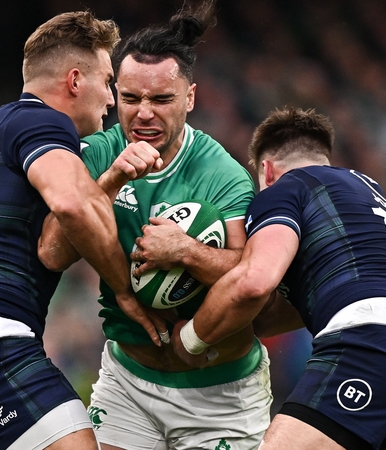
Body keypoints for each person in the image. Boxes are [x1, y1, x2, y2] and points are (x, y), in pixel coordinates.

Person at [0, 11, 165, 450]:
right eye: (107, 82)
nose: (111, 100)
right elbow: (72, 205)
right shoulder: (43, 122)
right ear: (75, 80)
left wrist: (112, 177)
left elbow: (52, 245)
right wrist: (124, 289)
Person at [38, 2, 272, 449]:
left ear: (189, 98)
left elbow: (249, 274)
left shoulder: (222, 174)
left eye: (161, 99)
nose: (144, 113)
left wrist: (185, 251)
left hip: (220, 395)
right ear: (116, 93)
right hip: (129, 382)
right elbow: (52, 252)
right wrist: (111, 181)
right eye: (131, 98)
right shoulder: (96, 154)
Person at [173, 107, 386, 449]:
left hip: (374, 342)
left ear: (267, 170)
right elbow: (282, 311)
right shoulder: (367, 193)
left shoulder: (286, 188)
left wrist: (191, 338)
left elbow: (255, 280)